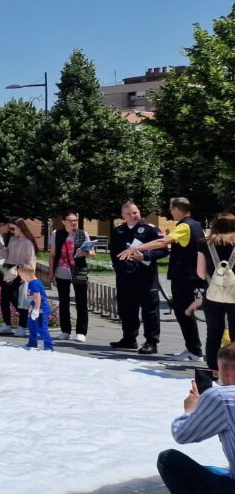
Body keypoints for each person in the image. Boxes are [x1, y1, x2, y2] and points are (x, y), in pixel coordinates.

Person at [121, 198, 207, 361]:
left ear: (176, 209)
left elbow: (163, 241)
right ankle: (193, 349)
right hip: (192, 275)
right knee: (185, 313)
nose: (171, 212)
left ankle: (194, 350)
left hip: (184, 277)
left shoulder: (184, 226)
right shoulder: (197, 225)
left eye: (171, 209)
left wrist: (137, 247)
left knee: (183, 313)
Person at [157, 343, 235, 493]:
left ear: (224, 370)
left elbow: (182, 434)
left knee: (168, 460)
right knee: (214, 470)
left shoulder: (221, 397)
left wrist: (190, 410)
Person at [108, 202, 166, 355]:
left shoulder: (150, 230)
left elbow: (163, 250)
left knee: (149, 310)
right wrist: (118, 267)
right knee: (126, 308)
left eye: (134, 212)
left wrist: (145, 256)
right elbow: (113, 251)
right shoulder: (118, 230)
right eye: (127, 213)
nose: (132, 216)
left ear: (139, 212)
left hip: (145, 275)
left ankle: (151, 342)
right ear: (122, 215)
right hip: (125, 276)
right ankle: (129, 339)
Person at [197, 213, 235, 371]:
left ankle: (214, 368)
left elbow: (200, 271)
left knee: (213, 332)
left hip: (213, 295)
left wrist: (211, 279)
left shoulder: (206, 243)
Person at [49, 212, 94, 343]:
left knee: (81, 302)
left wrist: (85, 252)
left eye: (75, 220)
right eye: (70, 220)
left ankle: (81, 332)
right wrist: (51, 273)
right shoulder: (56, 234)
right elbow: (52, 254)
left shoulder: (82, 234)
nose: (73, 223)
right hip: (61, 271)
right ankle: (65, 331)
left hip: (79, 270)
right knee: (63, 302)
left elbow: (92, 253)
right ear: (63, 221)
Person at [20, 264, 53, 351]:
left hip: (41, 309)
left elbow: (38, 297)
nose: (21, 278)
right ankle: (33, 342)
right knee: (31, 325)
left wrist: (37, 309)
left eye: (21, 276)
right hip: (36, 308)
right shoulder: (31, 283)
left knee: (42, 328)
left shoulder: (34, 284)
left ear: (26, 274)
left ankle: (49, 346)